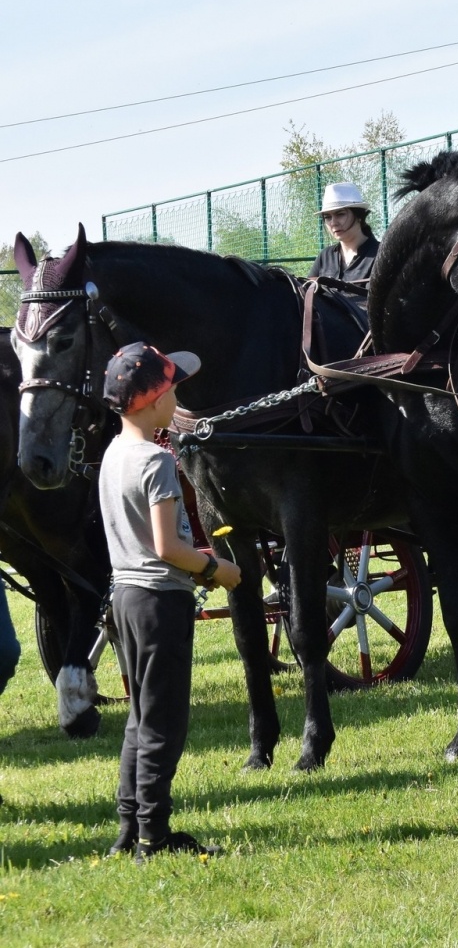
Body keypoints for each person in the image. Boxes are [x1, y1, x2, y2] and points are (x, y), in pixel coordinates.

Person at [98, 342, 242, 859]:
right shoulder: (157, 461)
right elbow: (167, 548)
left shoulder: (114, 454)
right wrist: (218, 569)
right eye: (172, 386)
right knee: (164, 724)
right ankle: (153, 838)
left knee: (140, 717)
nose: (178, 393)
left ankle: (127, 828)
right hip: (160, 604)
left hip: (125, 600)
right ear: (153, 401)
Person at [308, 181, 380, 284]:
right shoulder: (325, 256)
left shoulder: (380, 254)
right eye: (327, 217)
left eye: (340, 214)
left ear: (359, 216)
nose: (333, 222)